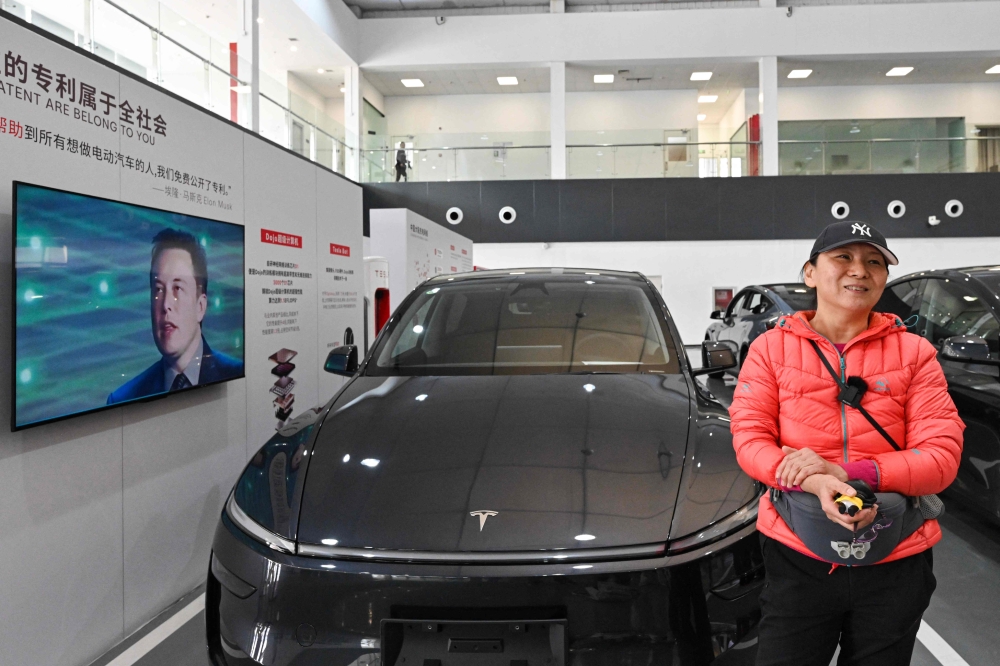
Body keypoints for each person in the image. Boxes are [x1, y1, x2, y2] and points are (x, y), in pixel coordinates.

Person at [729, 221, 964, 666]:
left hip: (896, 553)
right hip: (798, 551)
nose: (860, 270)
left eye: (874, 262)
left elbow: (941, 458)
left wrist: (849, 474)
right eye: (843, 257)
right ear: (810, 272)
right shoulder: (769, 350)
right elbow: (751, 440)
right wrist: (816, 481)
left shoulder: (915, 354)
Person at [108, 228, 243, 404]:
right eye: (158, 289)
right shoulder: (124, 399)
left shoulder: (236, 373)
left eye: (177, 288)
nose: (165, 305)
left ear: (200, 306)